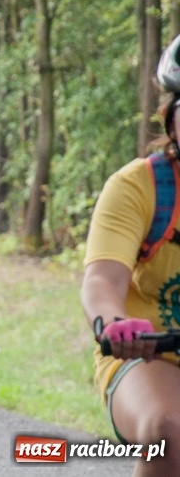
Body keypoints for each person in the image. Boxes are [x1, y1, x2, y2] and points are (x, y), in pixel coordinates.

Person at [80, 34, 180, 475]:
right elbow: (103, 279)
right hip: (150, 354)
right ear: (168, 117)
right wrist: (114, 323)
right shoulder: (139, 186)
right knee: (169, 430)